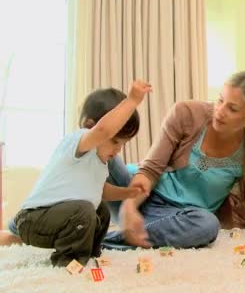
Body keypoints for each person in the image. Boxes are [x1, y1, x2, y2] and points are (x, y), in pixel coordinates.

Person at [103, 70, 245, 250]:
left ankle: (106, 240)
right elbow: (150, 169)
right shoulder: (186, 113)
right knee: (98, 146)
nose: (220, 111)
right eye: (220, 100)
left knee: (207, 226)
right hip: (136, 195)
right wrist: (129, 206)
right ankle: (108, 225)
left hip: (184, 219)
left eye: (233, 108)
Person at [0, 81, 151, 266]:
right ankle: (69, 261)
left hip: (60, 218)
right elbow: (104, 130)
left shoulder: (100, 163)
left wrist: (127, 193)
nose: (118, 150)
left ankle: (89, 253)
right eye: (115, 142)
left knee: (100, 209)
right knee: (84, 211)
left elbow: (101, 191)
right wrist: (132, 100)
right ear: (89, 127)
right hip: (33, 220)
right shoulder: (79, 142)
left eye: (123, 144)